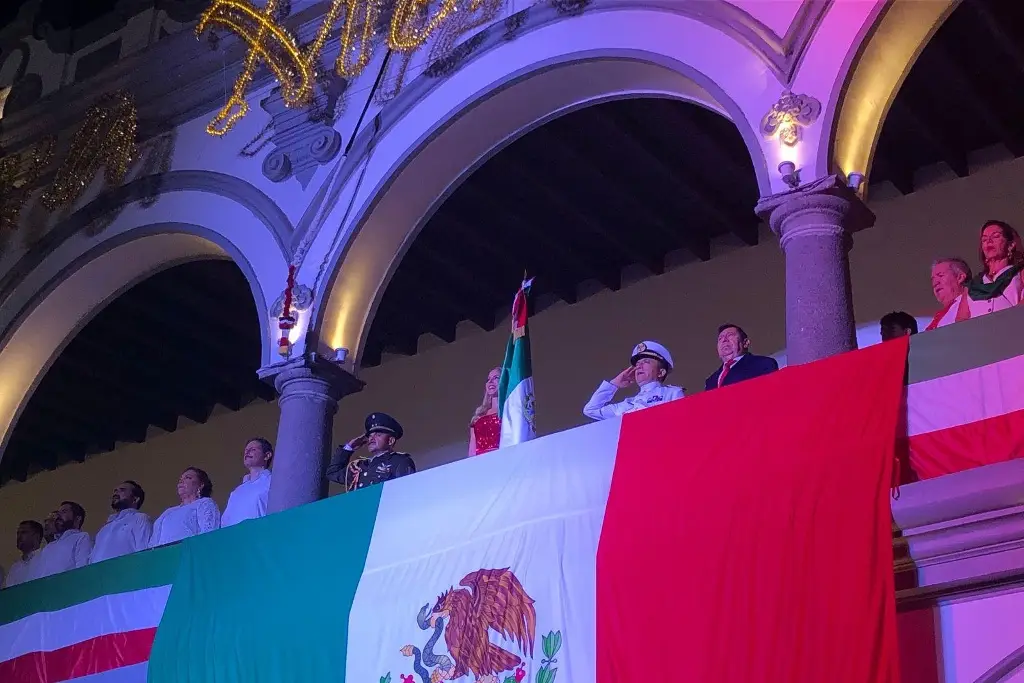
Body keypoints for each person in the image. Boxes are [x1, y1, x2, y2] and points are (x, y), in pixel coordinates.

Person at [583, 341, 684, 420]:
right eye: (637, 364)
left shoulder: (672, 393)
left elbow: (681, 422)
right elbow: (591, 410)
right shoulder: (627, 404)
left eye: (646, 362)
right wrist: (614, 384)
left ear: (661, 372)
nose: (639, 366)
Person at [327, 413, 416, 491]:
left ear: (390, 441)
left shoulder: (400, 461)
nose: (371, 438)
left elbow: (407, 490)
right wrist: (349, 448)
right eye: (370, 435)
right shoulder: (360, 465)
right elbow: (332, 473)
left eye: (378, 435)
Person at [150, 467, 221, 547]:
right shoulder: (168, 512)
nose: (181, 481)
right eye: (180, 479)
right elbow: (153, 544)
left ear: (201, 485)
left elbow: (209, 535)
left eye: (187, 478)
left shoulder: (205, 503)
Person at [90, 480, 152, 564]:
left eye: (122, 490)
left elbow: (145, 553)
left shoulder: (140, 519)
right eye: (115, 491)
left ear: (135, 499)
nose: (116, 493)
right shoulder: (104, 529)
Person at [704, 324, 778, 391]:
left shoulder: (763, 364)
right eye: (720, 338)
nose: (724, 340)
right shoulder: (711, 381)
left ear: (745, 343)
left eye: (730, 335)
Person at [221, 437, 274, 527]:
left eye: (253, 449)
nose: (247, 452)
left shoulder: (272, 481)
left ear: (267, 455)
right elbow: (225, 521)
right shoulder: (237, 491)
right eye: (246, 450)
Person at [35, 502, 92, 579]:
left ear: (78, 518)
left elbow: (83, 571)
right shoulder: (48, 548)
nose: (58, 516)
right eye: (58, 513)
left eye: (64, 512)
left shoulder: (81, 537)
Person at [926, 257, 972, 330]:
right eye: (933, 279)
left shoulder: (974, 304)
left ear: (960, 277)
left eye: (940, 275)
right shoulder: (939, 316)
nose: (935, 283)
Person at [469, 367, 501, 457]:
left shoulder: (509, 411)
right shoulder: (479, 416)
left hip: (502, 458)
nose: (490, 382)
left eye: (496, 378)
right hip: (480, 463)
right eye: (488, 379)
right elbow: (472, 449)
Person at [3, 520, 43, 588]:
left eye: (23, 532)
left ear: (36, 536)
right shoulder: (15, 567)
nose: (19, 536)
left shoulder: (45, 559)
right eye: (18, 533)